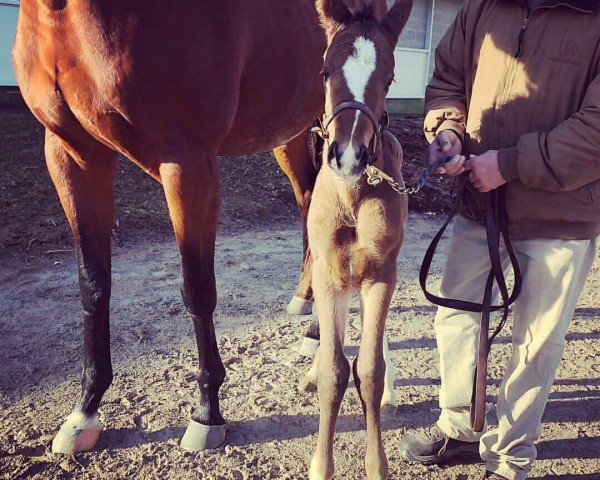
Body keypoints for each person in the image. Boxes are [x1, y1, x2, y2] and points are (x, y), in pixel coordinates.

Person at [397, 0, 600, 478]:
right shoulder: (484, 6)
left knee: (536, 342)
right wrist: (447, 131)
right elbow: (448, 77)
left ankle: (509, 458)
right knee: (455, 316)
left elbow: (596, 129)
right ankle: (461, 428)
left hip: (561, 216)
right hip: (479, 203)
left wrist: (508, 164)